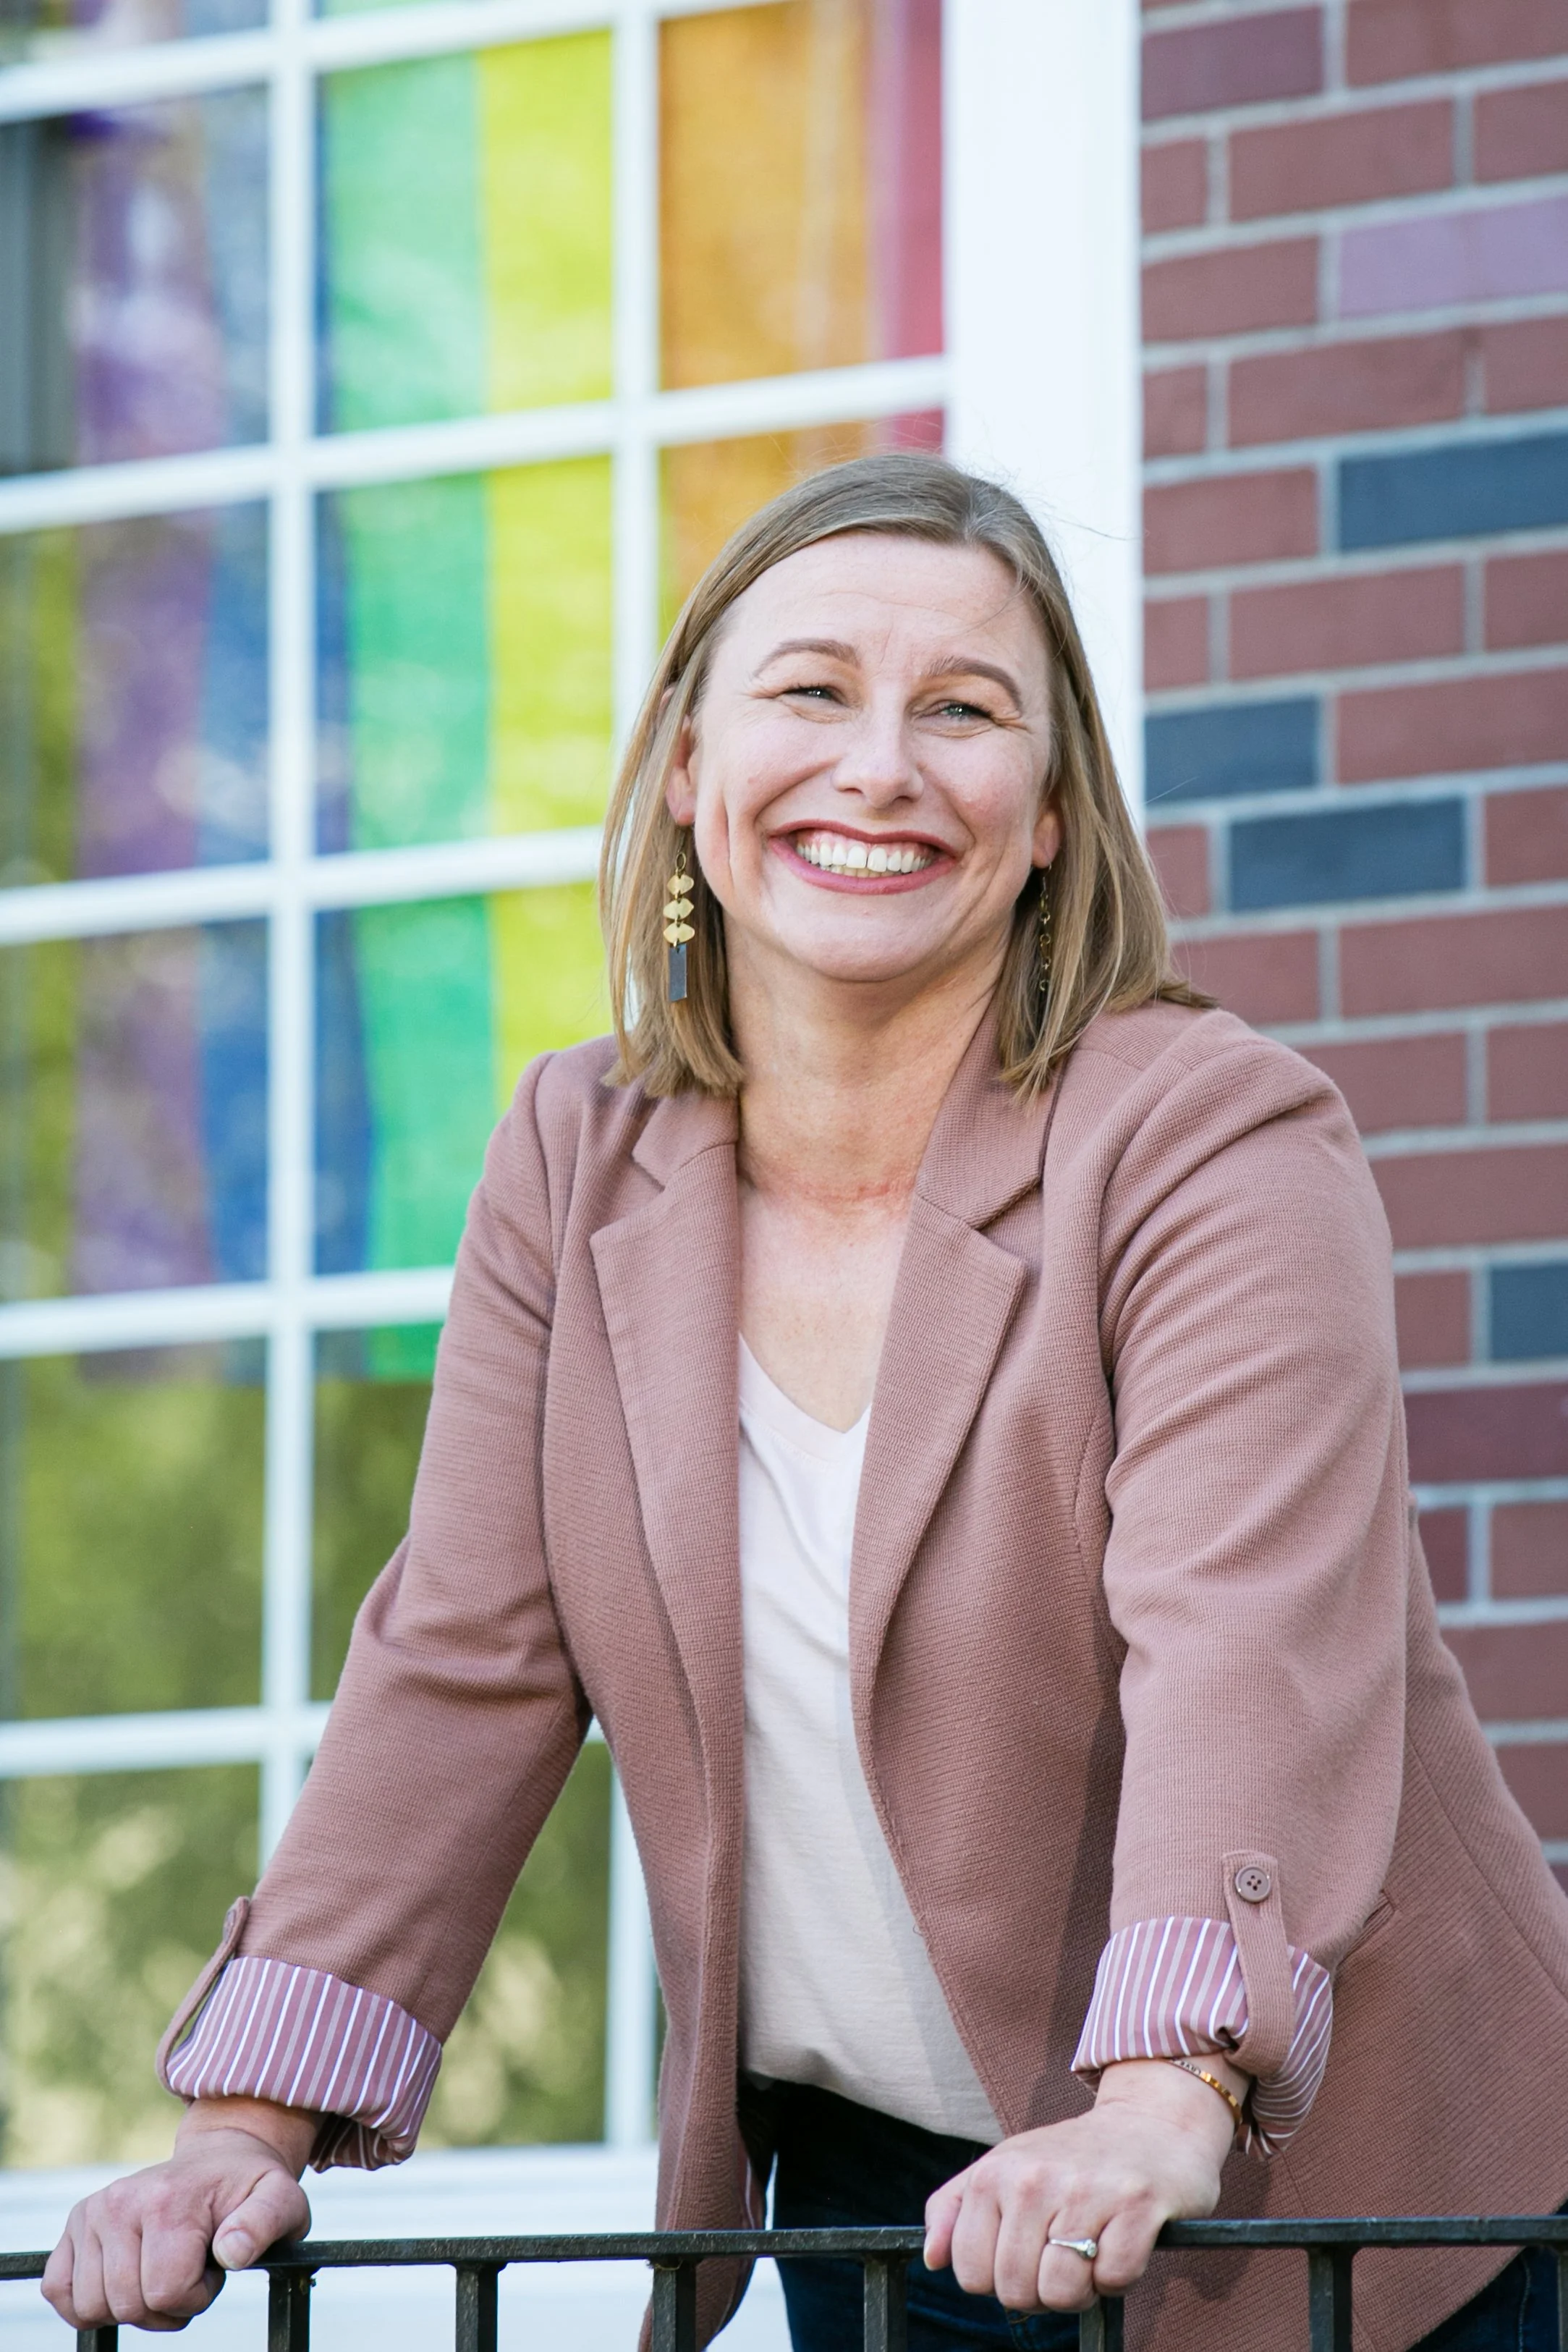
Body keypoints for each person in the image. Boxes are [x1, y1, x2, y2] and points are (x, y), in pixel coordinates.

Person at [43, 455, 1568, 2352]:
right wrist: (236, 2126)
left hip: (1357, 2222)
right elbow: (464, 1659)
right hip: (891, 2212)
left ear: (1044, 819)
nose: (879, 767)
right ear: (687, 765)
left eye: (962, 711)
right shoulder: (571, 1157)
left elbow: (1238, 1643)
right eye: (811, 691)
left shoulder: (1207, 1137)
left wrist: (1165, 2094)